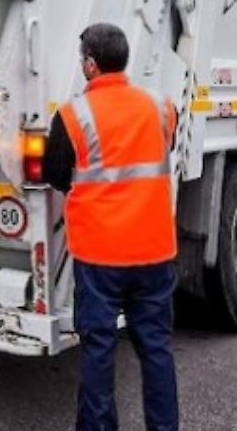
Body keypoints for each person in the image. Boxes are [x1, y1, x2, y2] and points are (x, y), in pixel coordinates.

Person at [43, 23, 180, 431]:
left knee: (99, 349)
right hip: (154, 250)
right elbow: (164, 148)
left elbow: (55, 174)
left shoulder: (72, 115)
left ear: (89, 65)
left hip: (100, 254)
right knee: (156, 349)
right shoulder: (160, 106)